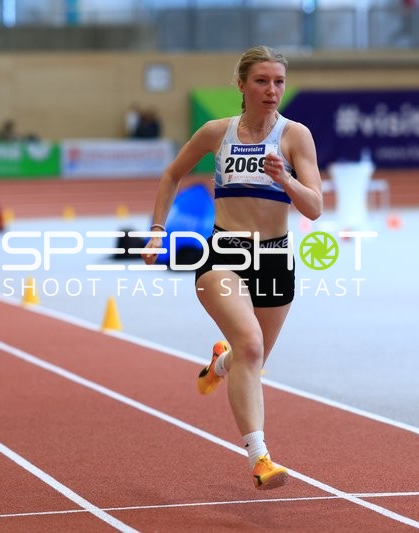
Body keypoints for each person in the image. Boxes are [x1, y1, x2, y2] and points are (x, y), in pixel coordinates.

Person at [141, 46, 322, 490]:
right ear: (241, 85)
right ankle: (260, 458)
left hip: (276, 257)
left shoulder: (296, 136)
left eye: (279, 81)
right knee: (251, 346)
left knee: (248, 360)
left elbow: (315, 208)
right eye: (262, 81)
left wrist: (286, 179)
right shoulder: (216, 132)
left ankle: (219, 366)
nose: (272, 90)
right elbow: (171, 175)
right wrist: (158, 231)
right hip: (223, 252)